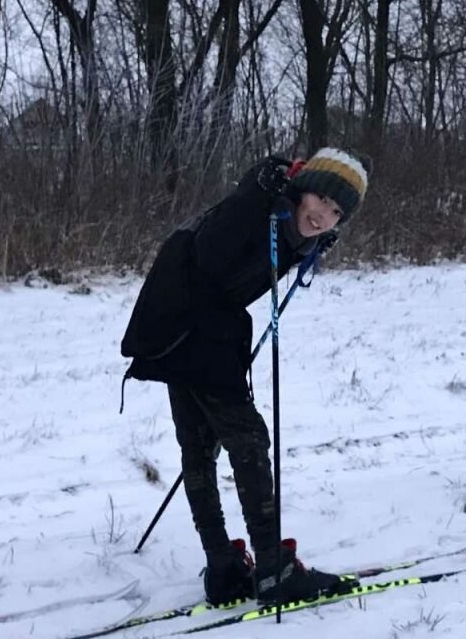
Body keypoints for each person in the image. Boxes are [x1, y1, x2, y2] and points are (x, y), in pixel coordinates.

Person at [121, 148, 369, 605]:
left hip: (183, 325)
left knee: (198, 446)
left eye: (336, 213)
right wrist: (257, 196)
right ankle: (273, 568)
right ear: (301, 187)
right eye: (320, 199)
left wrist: (299, 241)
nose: (323, 215)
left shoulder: (290, 223)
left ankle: (223, 566)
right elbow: (210, 254)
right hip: (194, 326)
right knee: (247, 439)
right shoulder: (259, 203)